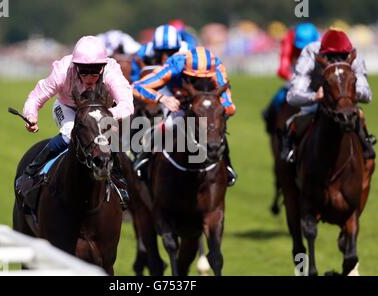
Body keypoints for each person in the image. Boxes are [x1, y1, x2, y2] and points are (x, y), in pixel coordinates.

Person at [15, 36, 134, 200]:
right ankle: (30, 171)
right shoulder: (62, 71)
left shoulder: (112, 71)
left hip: (101, 112)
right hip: (67, 108)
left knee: (108, 141)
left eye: (95, 70)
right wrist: (31, 115)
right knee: (69, 134)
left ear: (103, 66)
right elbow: (36, 97)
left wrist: (101, 117)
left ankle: (120, 182)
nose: (90, 77)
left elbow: (127, 105)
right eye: (84, 70)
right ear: (75, 66)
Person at [132, 46, 237, 187]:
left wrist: (219, 109)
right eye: (194, 78)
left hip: (205, 100)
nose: (200, 83)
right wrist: (162, 98)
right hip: (174, 94)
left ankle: (227, 164)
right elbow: (137, 87)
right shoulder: (176, 65)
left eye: (206, 79)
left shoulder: (217, 68)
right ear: (185, 72)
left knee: (217, 123)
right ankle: (144, 158)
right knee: (170, 123)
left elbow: (229, 106)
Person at [283, 29, 375, 162]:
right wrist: (314, 97)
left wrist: (348, 93)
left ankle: (367, 149)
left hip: (345, 103)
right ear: (322, 53)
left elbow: (367, 95)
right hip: (315, 101)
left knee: (359, 116)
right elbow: (292, 96)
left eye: (342, 56)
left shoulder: (354, 56)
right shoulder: (311, 52)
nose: (337, 60)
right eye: (331, 57)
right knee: (292, 122)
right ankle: (290, 154)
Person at [262, 23, 320, 134]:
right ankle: (272, 128)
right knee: (275, 103)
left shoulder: (320, 44)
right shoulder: (288, 40)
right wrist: (295, 79)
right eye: (300, 48)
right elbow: (282, 69)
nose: (304, 51)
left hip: (314, 83)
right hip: (294, 80)